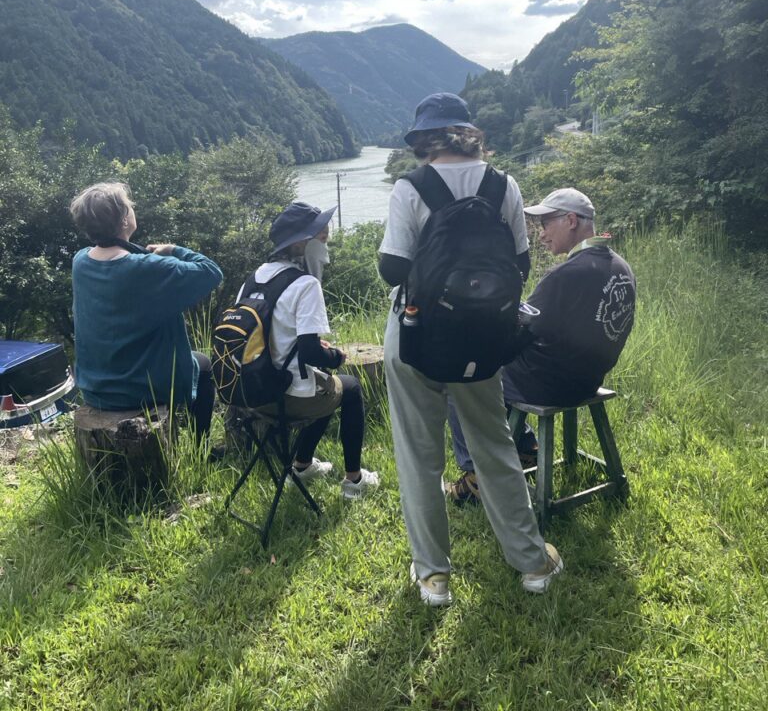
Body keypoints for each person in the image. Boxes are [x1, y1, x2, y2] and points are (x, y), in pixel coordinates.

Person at [379, 92, 562, 605]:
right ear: (469, 133)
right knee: (494, 444)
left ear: (423, 139)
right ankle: (532, 563)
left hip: (415, 333)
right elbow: (521, 265)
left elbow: (392, 270)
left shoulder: (410, 187)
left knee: (419, 456)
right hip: (483, 335)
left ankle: (433, 577)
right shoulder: (503, 184)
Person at [447, 187, 636, 503]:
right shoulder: (620, 266)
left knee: (460, 376)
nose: (541, 235)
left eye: (546, 224)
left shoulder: (566, 274)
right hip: (588, 378)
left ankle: (476, 476)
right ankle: (527, 449)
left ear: (571, 220)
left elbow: (518, 331)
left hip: (549, 384)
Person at [237, 201, 379, 499]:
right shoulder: (305, 284)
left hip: (252, 394)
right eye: (322, 237)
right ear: (302, 244)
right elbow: (311, 353)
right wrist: (336, 356)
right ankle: (354, 481)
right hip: (286, 397)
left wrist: (311, 349)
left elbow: (263, 333)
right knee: (349, 388)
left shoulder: (254, 278)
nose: (325, 243)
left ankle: (302, 465)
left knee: (324, 382)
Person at [69, 182, 223, 442]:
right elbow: (211, 272)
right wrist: (173, 250)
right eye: (129, 206)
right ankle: (201, 447)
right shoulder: (147, 268)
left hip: (95, 388)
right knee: (204, 365)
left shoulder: (81, 261)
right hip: (138, 390)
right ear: (124, 220)